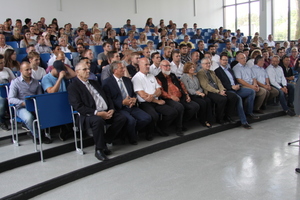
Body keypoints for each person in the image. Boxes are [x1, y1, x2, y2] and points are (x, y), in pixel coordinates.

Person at [67, 61, 127, 161]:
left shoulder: (94, 82)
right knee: (98, 121)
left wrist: (111, 109)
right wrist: (97, 113)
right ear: (77, 72)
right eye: (85, 69)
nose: (88, 71)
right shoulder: (73, 87)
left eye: (88, 69)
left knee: (121, 118)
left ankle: (104, 141)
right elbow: (79, 106)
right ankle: (99, 150)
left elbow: (107, 97)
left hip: (105, 110)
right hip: (88, 115)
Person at [102, 61, 152, 142]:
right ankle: (131, 138)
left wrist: (134, 99)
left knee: (147, 118)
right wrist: (122, 102)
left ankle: (126, 133)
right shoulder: (107, 82)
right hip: (119, 108)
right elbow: (108, 99)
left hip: (131, 106)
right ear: (115, 70)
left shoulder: (127, 80)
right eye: (121, 68)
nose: (124, 70)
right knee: (131, 121)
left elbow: (133, 93)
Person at [132, 58, 177, 136]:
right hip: (145, 103)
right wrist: (156, 100)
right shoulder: (136, 78)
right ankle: (149, 133)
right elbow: (142, 95)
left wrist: (152, 96)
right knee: (154, 116)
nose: (148, 66)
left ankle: (159, 128)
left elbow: (159, 90)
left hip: (155, 100)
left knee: (172, 112)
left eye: (149, 64)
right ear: (139, 65)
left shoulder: (151, 76)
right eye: (146, 64)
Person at [8, 62, 51, 144]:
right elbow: (11, 99)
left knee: (44, 113)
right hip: (21, 107)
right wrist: (23, 103)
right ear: (21, 71)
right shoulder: (15, 82)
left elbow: (39, 96)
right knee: (29, 118)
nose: (29, 71)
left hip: (34, 105)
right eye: (26, 70)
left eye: (30, 69)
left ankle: (40, 132)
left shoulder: (36, 82)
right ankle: (38, 136)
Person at [156, 60, 200, 135]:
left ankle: (181, 122)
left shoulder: (173, 75)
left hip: (180, 96)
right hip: (168, 98)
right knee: (179, 107)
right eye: (166, 66)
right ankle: (178, 128)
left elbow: (182, 85)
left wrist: (186, 94)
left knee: (195, 106)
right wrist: (171, 97)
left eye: (169, 66)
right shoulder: (158, 78)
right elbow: (161, 91)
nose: (168, 68)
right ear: (160, 67)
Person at [215, 54, 258, 129]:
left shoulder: (229, 69)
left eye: (226, 60)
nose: (225, 61)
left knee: (252, 92)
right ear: (220, 60)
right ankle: (244, 121)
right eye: (223, 60)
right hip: (228, 90)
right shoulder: (217, 71)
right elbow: (220, 83)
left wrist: (238, 85)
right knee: (238, 99)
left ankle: (249, 112)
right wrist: (231, 87)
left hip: (237, 88)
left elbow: (235, 80)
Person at [197, 58, 238, 125]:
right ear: (202, 65)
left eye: (209, 63)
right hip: (210, 92)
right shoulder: (200, 73)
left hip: (219, 90)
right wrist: (218, 92)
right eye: (206, 63)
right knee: (222, 99)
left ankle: (228, 116)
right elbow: (205, 86)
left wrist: (222, 90)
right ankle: (219, 118)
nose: (208, 65)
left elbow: (219, 82)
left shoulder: (212, 72)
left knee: (233, 96)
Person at [181, 62, 213, 128]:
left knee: (208, 100)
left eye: (193, 67)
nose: (193, 69)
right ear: (187, 69)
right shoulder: (184, 77)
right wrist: (197, 93)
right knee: (203, 103)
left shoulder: (195, 77)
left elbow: (199, 87)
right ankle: (203, 120)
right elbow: (187, 89)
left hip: (199, 94)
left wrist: (200, 92)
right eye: (191, 67)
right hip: (191, 95)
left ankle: (209, 119)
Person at [0, 54, 15, 130]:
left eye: (3, 62)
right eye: (0, 63)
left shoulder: (7, 70)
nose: (2, 64)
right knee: (2, 105)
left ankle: (14, 118)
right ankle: (1, 121)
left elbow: (14, 81)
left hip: (9, 90)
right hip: (0, 93)